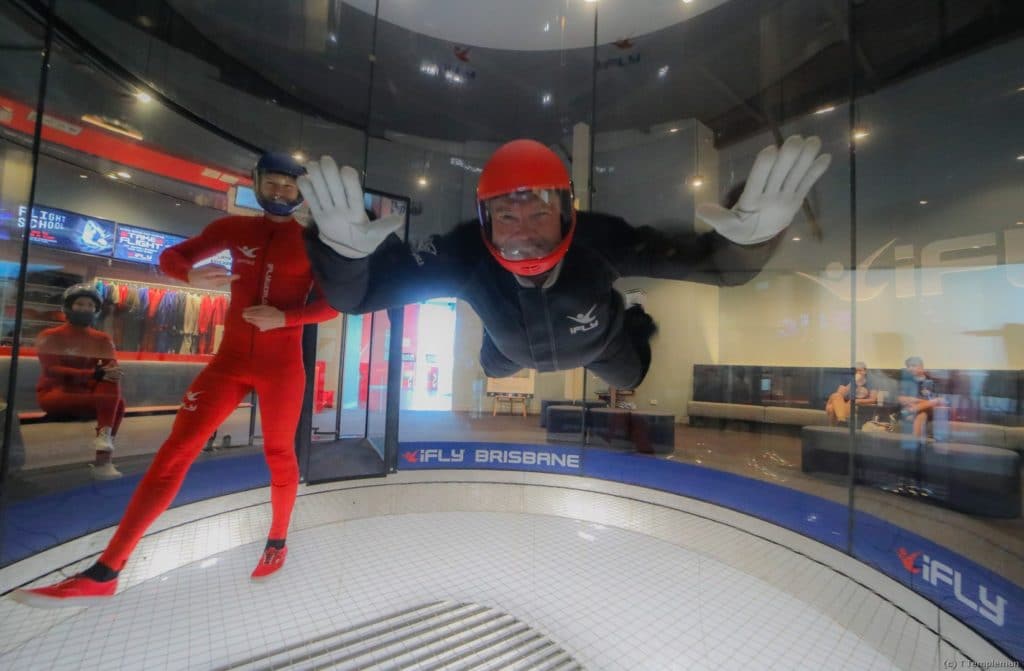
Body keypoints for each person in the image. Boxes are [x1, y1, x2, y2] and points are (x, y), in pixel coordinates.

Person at [14, 152, 339, 608]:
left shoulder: (314, 242)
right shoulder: (233, 230)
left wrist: (284, 317)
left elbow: (334, 304)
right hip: (227, 364)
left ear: (300, 191)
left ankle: (279, 540)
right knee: (174, 453)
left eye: (290, 185)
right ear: (258, 183)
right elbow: (171, 256)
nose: (281, 192)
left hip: (282, 368)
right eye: (274, 183)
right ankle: (107, 571)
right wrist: (189, 272)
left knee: (280, 453)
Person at [301, 135, 830, 388]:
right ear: (484, 221)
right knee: (493, 366)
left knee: (630, 379)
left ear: (568, 214)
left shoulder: (600, 240)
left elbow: (714, 267)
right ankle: (499, 339)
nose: (524, 233)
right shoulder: (464, 252)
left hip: (602, 341)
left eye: (539, 213)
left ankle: (632, 320)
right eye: (507, 217)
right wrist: (343, 251)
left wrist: (753, 239)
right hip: (508, 345)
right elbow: (360, 296)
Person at [34, 284, 125, 479]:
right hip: (55, 395)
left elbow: (110, 367)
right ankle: (104, 461)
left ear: (96, 309)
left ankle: (104, 441)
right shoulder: (50, 336)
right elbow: (52, 371)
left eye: (90, 305)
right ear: (68, 307)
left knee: (112, 382)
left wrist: (108, 373)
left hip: (87, 394)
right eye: (80, 304)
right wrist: (93, 374)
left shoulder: (102, 338)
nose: (85, 309)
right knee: (116, 404)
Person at [898, 355, 947, 439]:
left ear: (921, 366)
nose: (910, 368)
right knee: (922, 414)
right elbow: (901, 399)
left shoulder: (932, 380)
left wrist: (915, 402)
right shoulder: (907, 382)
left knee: (936, 401)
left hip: (931, 410)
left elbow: (939, 400)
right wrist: (921, 402)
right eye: (908, 366)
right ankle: (917, 442)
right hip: (919, 409)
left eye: (913, 365)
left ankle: (913, 410)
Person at [825, 361, 877, 426]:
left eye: (860, 371)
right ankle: (842, 422)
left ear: (865, 371)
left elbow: (873, 399)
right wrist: (853, 382)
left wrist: (857, 401)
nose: (858, 373)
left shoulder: (870, 382)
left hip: (850, 405)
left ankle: (837, 426)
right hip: (841, 403)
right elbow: (840, 395)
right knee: (836, 395)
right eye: (855, 371)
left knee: (831, 409)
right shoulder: (847, 379)